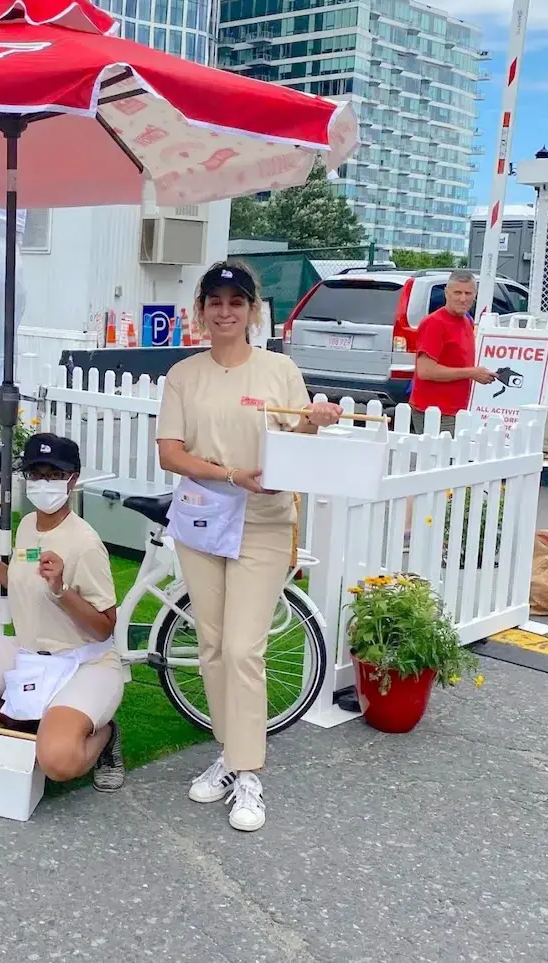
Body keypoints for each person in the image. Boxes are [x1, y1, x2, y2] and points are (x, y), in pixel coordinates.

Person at [155, 260, 343, 833]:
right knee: (211, 646)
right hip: (204, 521)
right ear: (202, 310)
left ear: (252, 311)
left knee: (242, 649)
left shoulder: (280, 370)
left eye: (236, 302)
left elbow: (297, 439)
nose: (225, 311)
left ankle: (250, 774)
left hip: (262, 521)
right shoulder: (184, 375)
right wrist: (232, 473)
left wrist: (316, 419)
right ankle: (230, 756)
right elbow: (171, 453)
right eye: (215, 301)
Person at [0, 433, 127, 791]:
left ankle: (104, 735)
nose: (42, 483)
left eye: (53, 474)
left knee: (58, 762)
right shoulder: (28, 525)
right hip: (29, 651)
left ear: (73, 479)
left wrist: (61, 590)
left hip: (83, 662)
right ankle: (21, 720)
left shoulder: (85, 544)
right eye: (35, 473)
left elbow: (104, 628)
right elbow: (23, 577)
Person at [410, 270, 496, 435]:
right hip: (434, 410)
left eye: (468, 293)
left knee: (454, 458)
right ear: (447, 293)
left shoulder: (467, 321)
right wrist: (472, 373)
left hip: (458, 409)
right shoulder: (434, 323)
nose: (463, 298)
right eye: (457, 292)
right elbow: (426, 371)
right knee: (439, 458)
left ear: (475, 295)